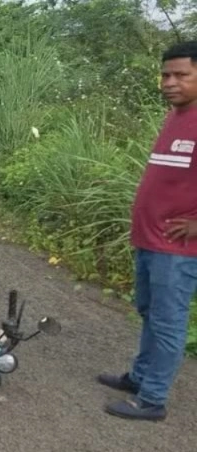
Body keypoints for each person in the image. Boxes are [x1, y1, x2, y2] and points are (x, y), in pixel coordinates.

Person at [98, 40, 197, 421]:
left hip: (178, 250)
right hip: (150, 239)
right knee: (149, 312)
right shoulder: (176, 116)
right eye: (165, 75)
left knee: (168, 321)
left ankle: (153, 399)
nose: (170, 82)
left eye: (181, 75)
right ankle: (139, 378)